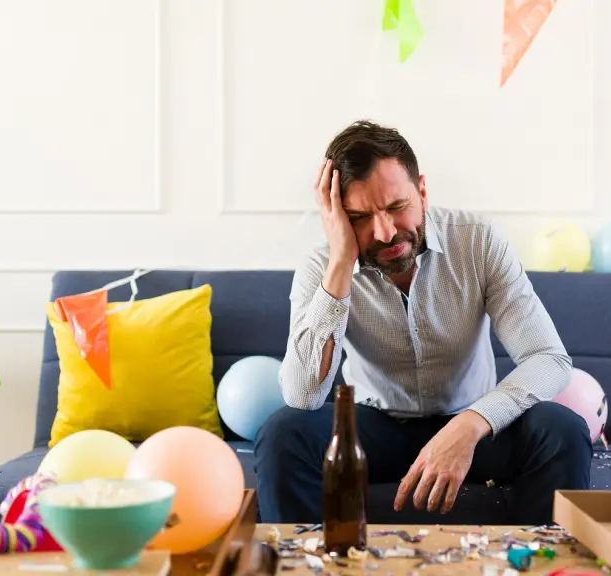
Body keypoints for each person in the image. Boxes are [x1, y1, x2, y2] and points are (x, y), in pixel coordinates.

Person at [254, 120, 592, 525]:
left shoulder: (477, 241)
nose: (384, 231)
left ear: (423, 192)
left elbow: (548, 358)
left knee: (563, 430)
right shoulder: (323, 267)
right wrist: (341, 262)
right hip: (376, 428)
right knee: (282, 434)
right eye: (360, 217)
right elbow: (303, 397)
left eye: (397, 207)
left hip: (473, 423)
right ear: (339, 217)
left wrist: (471, 425)